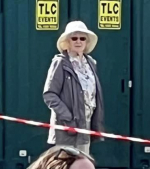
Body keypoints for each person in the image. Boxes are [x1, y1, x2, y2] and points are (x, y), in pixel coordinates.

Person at [44, 21, 105, 154]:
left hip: (86, 123)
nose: (78, 41)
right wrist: (68, 118)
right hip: (66, 127)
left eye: (82, 38)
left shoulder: (91, 63)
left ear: (86, 42)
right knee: (65, 166)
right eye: (74, 38)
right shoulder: (60, 62)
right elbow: (49, 95)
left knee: (82, 163)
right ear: (68, 41)